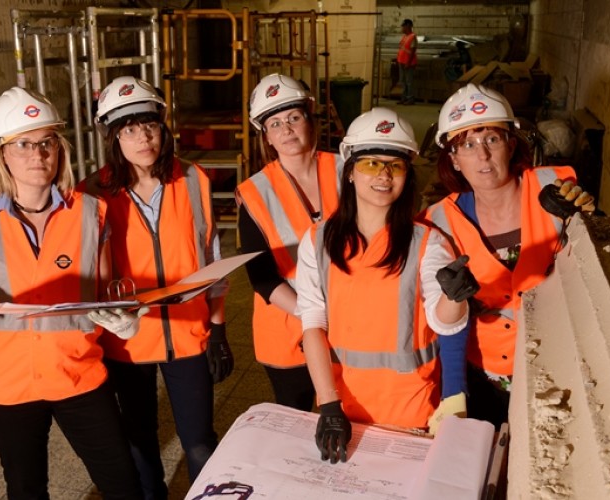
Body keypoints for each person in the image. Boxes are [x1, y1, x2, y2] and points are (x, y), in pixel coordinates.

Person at [0, 87, 144, 499]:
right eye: (23, 144)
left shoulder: (92, 213)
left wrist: (124, 318)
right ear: (2, 154)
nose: (37, 154)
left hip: (78, 373)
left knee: (123, 483)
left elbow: (104, 297)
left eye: (46, 142)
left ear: (59, 148)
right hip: (7, 384)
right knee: (26, 489)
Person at [296, 107, 479, 463]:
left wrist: (455, 297)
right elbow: (312, 325)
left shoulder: (427, 242)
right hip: (342, 407)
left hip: (409, 411)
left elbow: (444, 321)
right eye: (371, 164)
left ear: (407, 175)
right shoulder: (318, 241)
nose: (383, 175)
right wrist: (329, 405)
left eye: (394, 165)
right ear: (350, 172)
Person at [79, 75, 233, 499]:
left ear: (163, 129)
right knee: (139, 439)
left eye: (149, 126)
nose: (142, 138)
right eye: (128, 129)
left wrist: (218, 330)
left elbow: (213, 262)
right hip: (126, 343)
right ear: (113, 137)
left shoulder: (193, 179)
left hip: (188, 337)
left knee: (200, 440)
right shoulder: (92, 193)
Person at [421, 83, 595, 427]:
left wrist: (584, 217)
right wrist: (453, 392)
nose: (482, 156)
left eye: (492, 139)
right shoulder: (441, 222)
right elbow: (449, 322)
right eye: (467, 145)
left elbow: (598, 263)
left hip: (557, 373)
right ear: (454, 160)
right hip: (483, 376)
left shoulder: (555, 193)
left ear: (510, 143)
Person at [236, 73, 344, 412]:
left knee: (349, 411)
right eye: (275, 123)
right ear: (266, 136)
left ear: (309, 119)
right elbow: (261, 277)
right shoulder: (255, 192)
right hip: (288, 327)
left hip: (350, 319)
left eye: (293, 118)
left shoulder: (347, 171)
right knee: (295, 419)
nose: (286, 129)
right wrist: (313, 317)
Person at [397, 18, 418, 105]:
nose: (402, 28)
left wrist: (408, 63)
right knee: (403, 81)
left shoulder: (413, 37)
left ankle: (410, 99)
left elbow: (412, 51)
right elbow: (402, 48)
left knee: (409, 82)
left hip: (408, 63)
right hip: (402, 62)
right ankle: (404, 97)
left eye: (403, 26)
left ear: (408, 26)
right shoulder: (405, 36)